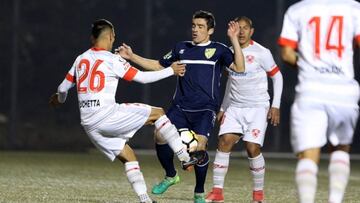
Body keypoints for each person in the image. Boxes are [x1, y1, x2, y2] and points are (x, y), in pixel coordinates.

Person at [49, 19, 198, 203]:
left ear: (91, 37)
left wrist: (59, 99)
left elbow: (62, 89)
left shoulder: (80, 59)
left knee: (128, 157)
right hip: (107, 116)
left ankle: (145, 200)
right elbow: (142, 78)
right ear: (111, 36)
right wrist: (171, 70)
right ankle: (184, 156)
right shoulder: (112, 59)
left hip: (89, 125)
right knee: (158, 113)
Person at [118, 10, 245, 203]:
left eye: (201, 26)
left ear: (210, 30)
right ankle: (171, 175)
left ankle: (199, 192)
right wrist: (132, 56)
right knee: (159, 135)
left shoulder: (219, 50)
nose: (195, 29)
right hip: (180, 107)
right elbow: (159, 65)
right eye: (194, 25)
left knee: (199, 148)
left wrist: (234, 39)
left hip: (205, 109)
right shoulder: (181, 48)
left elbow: (240, 68)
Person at [278, 0, 360, 202]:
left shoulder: (297, 10)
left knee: (308, 154)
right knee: (340, 150)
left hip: (311, 89)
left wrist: (308, 65)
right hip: (345, 90)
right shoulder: (354, 8)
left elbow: (287, 54)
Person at [205, 16, 283, 203]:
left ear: (251, 31)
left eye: (245, 28)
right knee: (224, 142)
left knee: (252, 147)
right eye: (238, 28)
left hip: (257, 107)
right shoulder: (229, 53)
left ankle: (258, 196)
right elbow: (230, 83)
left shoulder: (262, 52)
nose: (241, 31)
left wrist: (276, 105)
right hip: (235, 107)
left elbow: (277, 77)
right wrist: (224, 107)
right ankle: (217, 192)